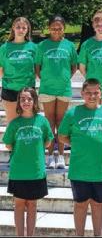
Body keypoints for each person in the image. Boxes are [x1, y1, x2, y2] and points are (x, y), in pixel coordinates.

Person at [58, 78, 102, 237]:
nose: (92, 96)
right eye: (88, 93)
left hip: (100, 169)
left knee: (98, 205)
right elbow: (62, 136)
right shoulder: (72, 113)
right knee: (80, 205)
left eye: (95, 93)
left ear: (101, 94)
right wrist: (78, 144)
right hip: (79, 169)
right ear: (82, 94)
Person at [3, 87, 53, 237]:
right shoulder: (14, 123)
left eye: (29, 99)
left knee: (32, 205)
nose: (26, 102)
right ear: (19, 102)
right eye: (23, 99)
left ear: (35, 101)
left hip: (36, 171)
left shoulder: (42, 121)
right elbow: (8, 144)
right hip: (19, 171)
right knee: (19, 205)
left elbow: (48, 141)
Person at [35, 15, 77, 170]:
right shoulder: (42, 46)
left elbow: (73, 67)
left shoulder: (69, 46)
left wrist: (63, 79)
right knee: (49, 122)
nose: (56, 30)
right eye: (53, 27)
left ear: (64, 29)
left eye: (59, 28)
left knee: (61, 122)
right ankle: (50, 155)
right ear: (49, 28)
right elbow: (37, 67)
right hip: (47, 88)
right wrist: (47, 79)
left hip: (63, 88)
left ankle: (60, 155)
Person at [0, 16, 38, 125]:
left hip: (28, 90)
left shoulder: (33, 47)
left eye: (24, 28)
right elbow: (1, 69)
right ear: (13, 28)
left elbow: (37, 69)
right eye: (18, 27)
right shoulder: (4, 48)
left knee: (28, 124)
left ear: (28, 30)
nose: (21, 30)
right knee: (12, 125)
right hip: (10, 90)